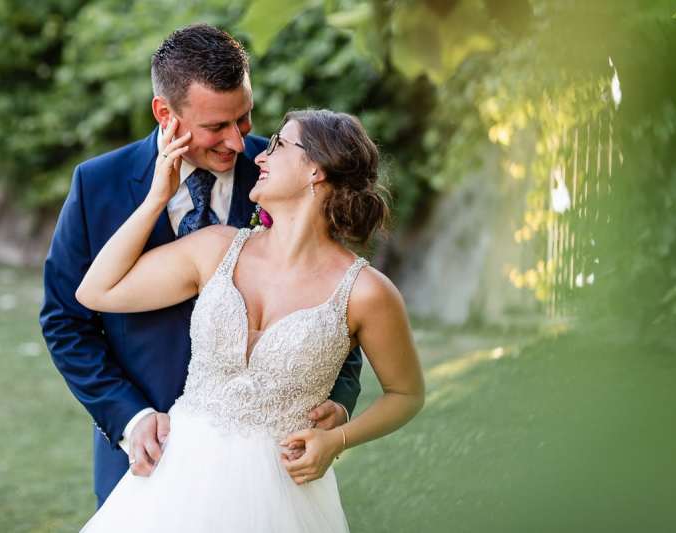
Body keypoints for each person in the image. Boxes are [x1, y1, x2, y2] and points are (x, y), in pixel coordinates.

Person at [39, 24, 363, 507]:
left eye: (245, 118)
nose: (236, 143)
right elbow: (66, 321)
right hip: (144, 457)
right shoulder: (96, 186)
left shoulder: (285, 176)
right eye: (216, 127)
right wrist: (129, 418)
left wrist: (340, 397)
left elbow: (333, 302)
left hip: (267, 468)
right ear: (164, 113)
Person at [75, 109, 425, 531]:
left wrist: (337, 439)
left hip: (282, 494)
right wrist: (156, 199)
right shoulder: (215, 249)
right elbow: (96, 292)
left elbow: (406, 394)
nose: (259, 156)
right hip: (179, 480)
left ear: (316, 169)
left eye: (278, 145)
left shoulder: (367, 292)